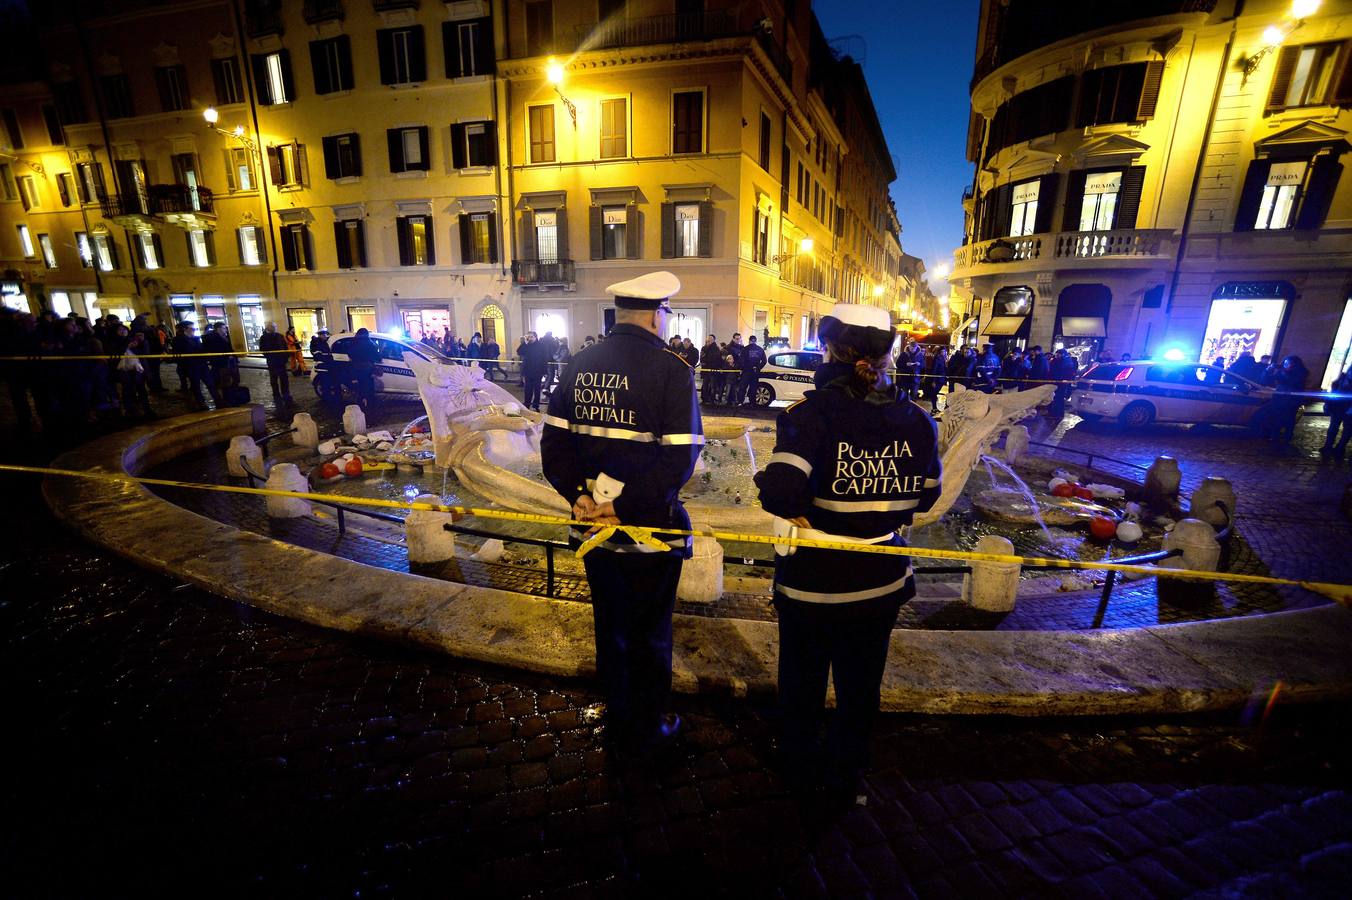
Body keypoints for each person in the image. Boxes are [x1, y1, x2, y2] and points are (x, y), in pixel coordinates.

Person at [754, 301, 941, 807]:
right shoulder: (921, 422)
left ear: (829, 350)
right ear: (888, 355)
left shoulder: (808, 416)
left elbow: (783, 494)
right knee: (861, 687)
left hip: (812, 580)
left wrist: (766, 483)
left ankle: (796, 768)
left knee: (802, 682)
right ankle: (846, 775)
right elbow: (926, 496)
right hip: (881, 581)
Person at [541, 271, 701, 755]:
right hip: (648, 532)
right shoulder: (672, 369)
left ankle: (618, 711)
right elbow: (680, 458)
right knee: (650, 628)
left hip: (592, 530)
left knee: (609, 622)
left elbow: (554, 443)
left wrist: (580, 498)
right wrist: (623, 506)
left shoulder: (579, 363)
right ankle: (650, 725)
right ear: (656, 313)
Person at [175, 321, 218, 409]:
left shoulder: (196, 339)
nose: (194, 330)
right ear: (184, 329)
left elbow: (202, 350)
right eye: (192, 329)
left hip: (202, 365)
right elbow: (180, 354)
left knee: (211, 383)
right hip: (191, 367)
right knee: (196, 386)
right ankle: (201, 403)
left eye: (195, 329)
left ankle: (218, 401)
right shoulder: (178, 340)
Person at [258, 322, 292, 406]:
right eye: (273, 326)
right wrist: (270, 357)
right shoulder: (264, 337)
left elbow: (285, 347)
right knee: (274, 380)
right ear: (268, 328)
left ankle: (286, 394)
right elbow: (263, 350)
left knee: (284, 379)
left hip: (281, 361)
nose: (275, 328)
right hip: (272, 362)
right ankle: (276, 395)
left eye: (276, 326)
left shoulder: (280, 336)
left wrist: (285, 358)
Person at [347, 327, 381, 410]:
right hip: (367, 369)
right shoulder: (370, 344)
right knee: (369, 388)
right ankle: (370, 406)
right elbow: (377, 357)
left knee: (360, 389)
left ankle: (360, 406)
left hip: (357, 369)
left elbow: (350, 354)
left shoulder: (353, 343)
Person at [1323, 368, 1352, 460]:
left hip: (1348, 408)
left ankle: (1340, 448)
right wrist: (1328, 403)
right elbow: (1334, 390)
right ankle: (1328, 446)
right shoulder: (1342, 378)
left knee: (1347, 430)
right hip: (1338, 407)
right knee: (1333, 428)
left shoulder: (1343, 379)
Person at [521, 332, 551, 411]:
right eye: (529, 337)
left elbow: (545, 359)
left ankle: (536, 405)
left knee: (537, 390)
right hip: (528, 371)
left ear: (535, 337)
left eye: (531, 337)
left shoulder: (541, 346)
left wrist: (545, 371)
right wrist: (525, 343)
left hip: (538, 371)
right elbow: (520, 352)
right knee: (527, 390)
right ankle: (527, 404)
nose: (530, 338)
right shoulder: (527, 345)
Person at [740, 335, 767, 406]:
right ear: (756, 341)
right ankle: (752, 402)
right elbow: (764, 361)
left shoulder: (745, 349)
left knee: (743, 387)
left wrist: (744, 368)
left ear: (749, 341)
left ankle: (740, 401)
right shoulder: (760, 349)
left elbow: (741, 361)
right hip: (755, 372)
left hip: (746, 371)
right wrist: (758, 367)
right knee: (753, 388)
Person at [699, 334, 722, 405]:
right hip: (706, 370)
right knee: (705, 385)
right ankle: (704, 399)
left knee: (713, 386)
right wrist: (705, 362)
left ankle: (712, 399)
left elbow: (717, 359)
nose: (708, 341)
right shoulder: (704, 348)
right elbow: (702, 358)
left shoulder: (716, 349)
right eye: (708, 340)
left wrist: (707, 362)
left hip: (713, 370)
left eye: (710, 340)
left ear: (713, 340)